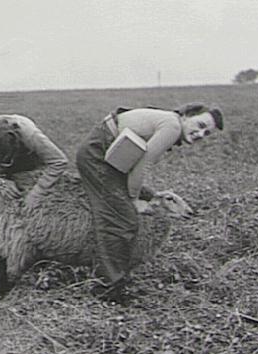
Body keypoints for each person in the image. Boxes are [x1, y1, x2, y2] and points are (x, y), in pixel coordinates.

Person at [75, 103, 223, 301]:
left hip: (111, 156)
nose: (200, 133)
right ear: (187, 116)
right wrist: (133, 199)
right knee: (123, 219)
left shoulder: (171, 121)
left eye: (206, 133)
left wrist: (140, 194)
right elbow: (142, 164)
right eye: (200, 124)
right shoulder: (173, 126)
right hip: (98, 155)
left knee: (130, 202)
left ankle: (116, 273)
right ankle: (108, 287)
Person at [0, 114, 68, 293]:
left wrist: (37, 193)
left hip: (30, 165)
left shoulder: (30, 135)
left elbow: (58, 161)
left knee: (41, 220)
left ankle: (43, 272)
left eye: (7, 160)